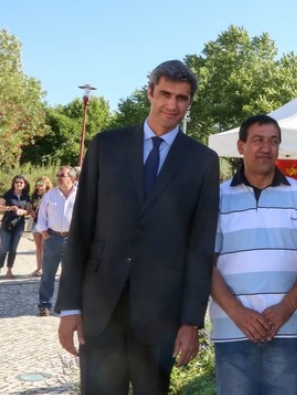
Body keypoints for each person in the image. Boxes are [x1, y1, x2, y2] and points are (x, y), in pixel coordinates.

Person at [56, 60, 221, 393]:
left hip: (161, 314)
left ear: (190, 103)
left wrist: (191, 321)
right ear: (150, 93)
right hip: (100, 307)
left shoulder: (202, 161)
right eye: (165, 94)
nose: (172, 105)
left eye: (182, 98)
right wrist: (70, 305)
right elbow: (82, 228)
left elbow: (200, 246)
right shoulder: (106, 146)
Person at [210, 114, 297, 395]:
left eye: (273, 141)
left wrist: (285, 308)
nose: (266, 148)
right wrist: (239, 313)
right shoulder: (216, 197)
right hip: (233, 328)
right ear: (241, 146)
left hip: (287, 327)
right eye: (258, 140)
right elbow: (204, 263)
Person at [35, 165, 77, 317]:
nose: (58, 177)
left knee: (69, 274)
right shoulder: (50, 195)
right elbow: (41, 217)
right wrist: (45, 235)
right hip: (53, 238)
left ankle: (66, 305)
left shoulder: (80, 195)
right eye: (58, 175)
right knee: (48, 273)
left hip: (72, 239)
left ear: (71, 179)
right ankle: (44, 304)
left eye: (62, 175)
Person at [0, 174, 31, 279]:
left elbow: (29, 210)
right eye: (16, 182)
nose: (19, 184)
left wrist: (24, 211)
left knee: (13, 249)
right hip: (7, 224)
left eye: (21, 182)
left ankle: (9, 270)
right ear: (13, 183)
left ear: (25, 184)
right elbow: (0, 207)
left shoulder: (26, 196)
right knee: (4, 248)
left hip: (19, 224)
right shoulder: (8, 194)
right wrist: (9, 208)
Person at [28, 175, 52, 277]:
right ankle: (39, 268)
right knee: (38, 247)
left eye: (42, 184)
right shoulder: (33, 195)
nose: (40, 186)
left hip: (47, 224)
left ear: (47, 185)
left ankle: (45, 268)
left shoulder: (50, 194)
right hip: (36, 222)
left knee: (44, 246)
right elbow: (30, 206)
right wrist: (31, 211)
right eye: (38, 184)